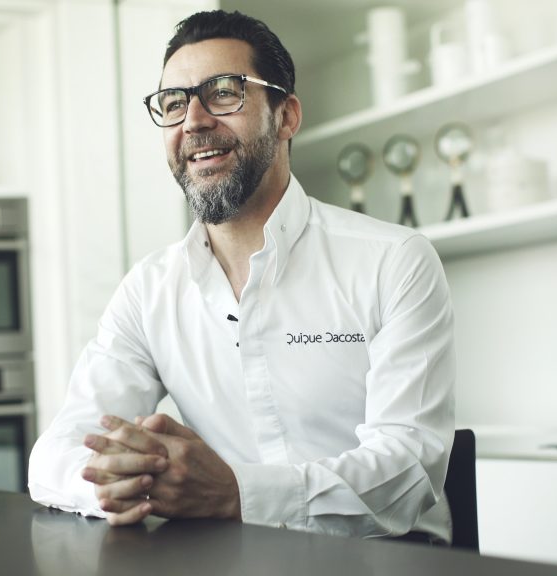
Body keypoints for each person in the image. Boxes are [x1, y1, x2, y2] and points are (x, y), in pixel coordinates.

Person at [28, 9, 456, 542]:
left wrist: (236, 493)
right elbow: (55, 454)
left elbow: (408, 469)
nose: (194, 121)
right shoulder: (147, 290)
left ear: (286, 116)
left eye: (224, 93)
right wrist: (119, 482)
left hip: (390, 557)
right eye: (174, 103)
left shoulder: (395, 261)